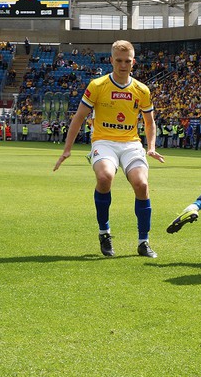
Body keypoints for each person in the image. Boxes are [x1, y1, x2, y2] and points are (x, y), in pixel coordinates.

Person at [53, 39, 164, 259]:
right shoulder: (97, 86)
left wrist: (150, 147)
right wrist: (67, 149)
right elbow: (78, 118)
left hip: (131, 143)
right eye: (119, 60)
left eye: (127, 61)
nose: (123, 65)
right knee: (104, 178)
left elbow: (150, 122)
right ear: (111, 60)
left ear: (133, 62)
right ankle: (105, 233)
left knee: (142, 184)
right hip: (103, 141)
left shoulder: (142, 89)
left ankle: (144, 241)